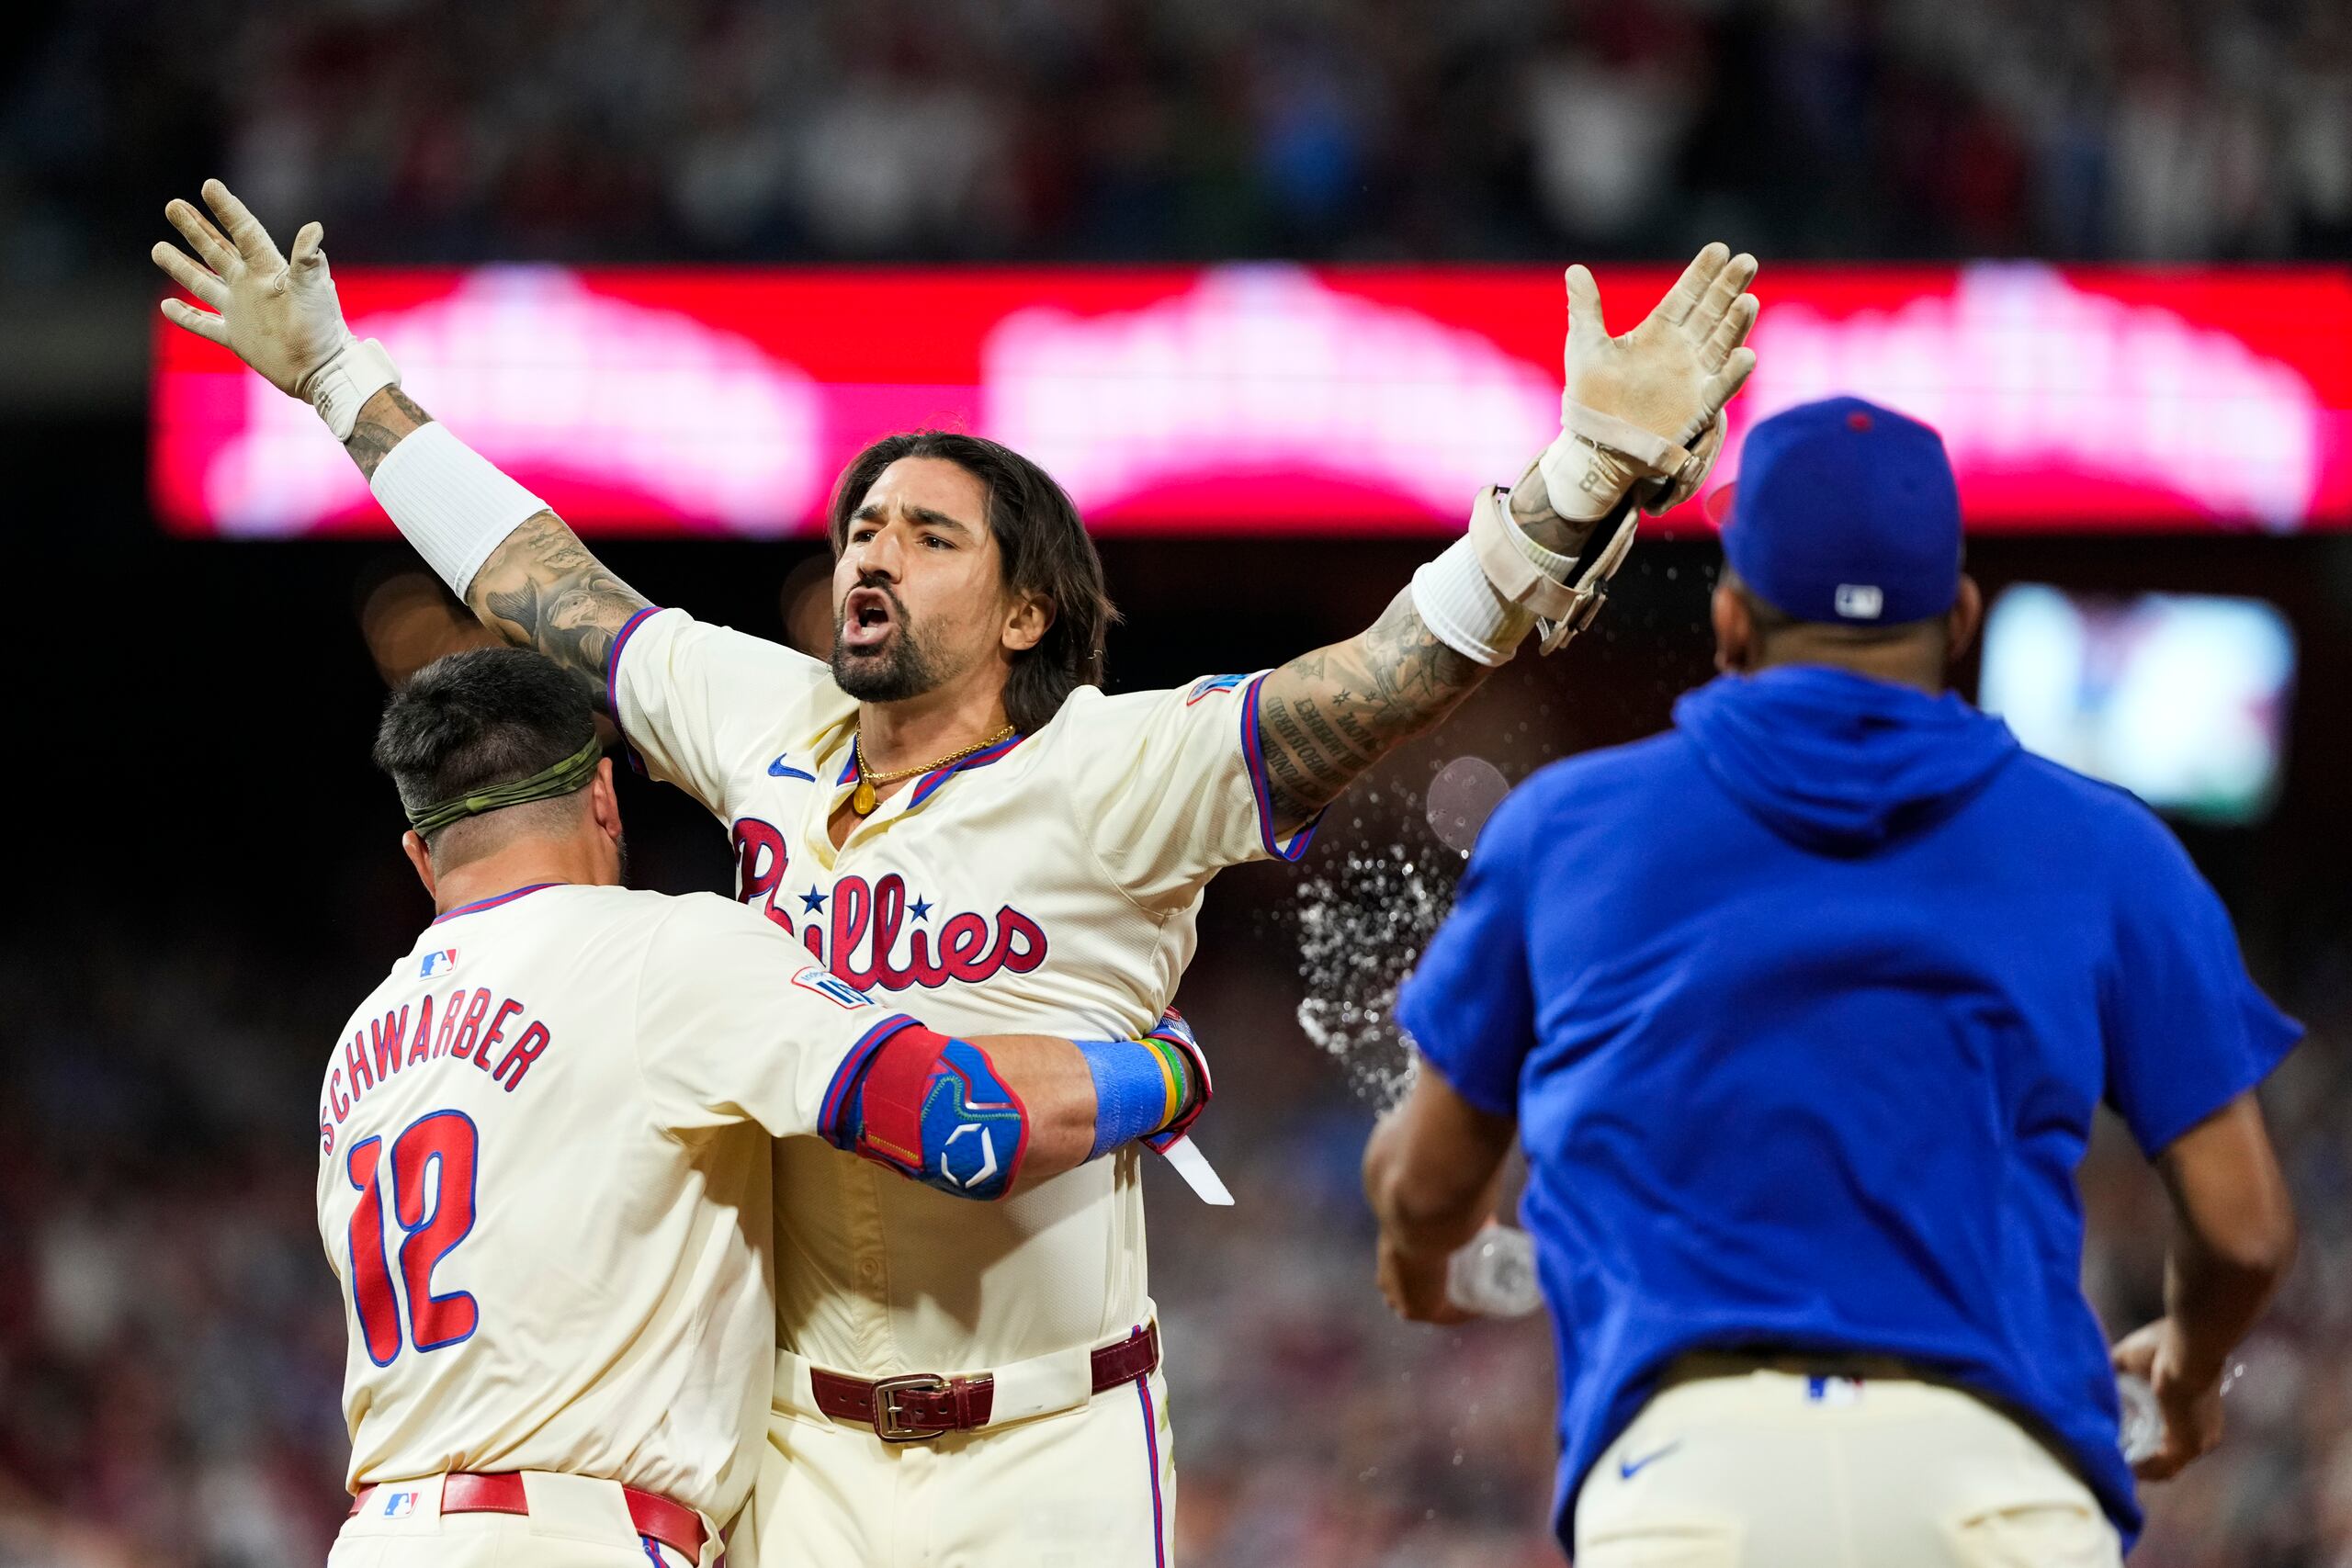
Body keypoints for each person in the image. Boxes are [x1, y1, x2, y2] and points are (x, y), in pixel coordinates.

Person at [153, 177, 1759, 1565]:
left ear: (1024, 613)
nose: (869, 548)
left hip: (1047, 1441)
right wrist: (339, 381)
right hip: (793, 1448)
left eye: (927, 534)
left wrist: (1568, 488)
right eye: (860, 525)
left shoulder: (1117, 767)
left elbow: (1385, 672)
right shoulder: (758, 716)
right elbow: (537, 579)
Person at [1363, 394, 2301, 1565]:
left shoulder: (1569, 826)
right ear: (1959, 618)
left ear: (1730, 619)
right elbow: (2245, 1232)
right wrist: (2193, 1363)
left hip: (1692, 1483)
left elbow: (1422, 1180)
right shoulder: (2110, 850)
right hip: (2000, 1479)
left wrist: (1424, 1258)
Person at [320, 646, 1212, 1566]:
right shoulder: (665, 951)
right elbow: (967, 1125)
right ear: (602, 797)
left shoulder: (361, 1043)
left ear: (420, 854)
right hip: (580, 1537)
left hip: (378, 1536)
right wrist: (1162, 1074)